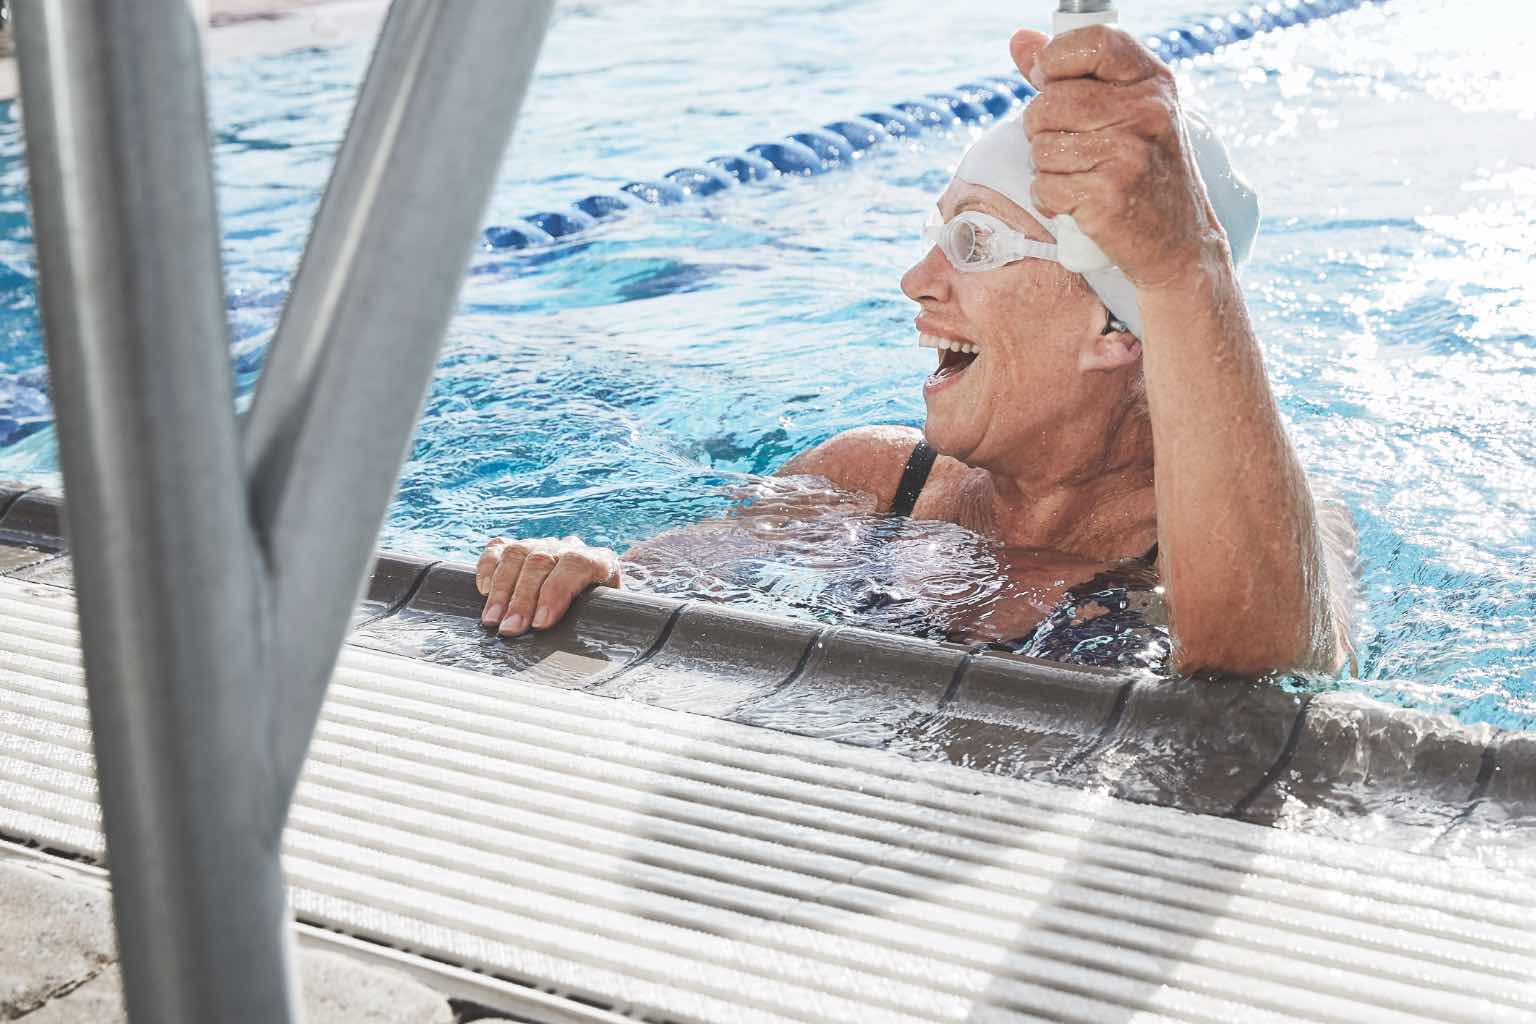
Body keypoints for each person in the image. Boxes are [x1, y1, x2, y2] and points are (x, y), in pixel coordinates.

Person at [474, 26, 1357, 676]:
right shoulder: (865, 480)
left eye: (975, 245)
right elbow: (648, 580)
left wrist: (1182, 273)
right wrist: (578, 568)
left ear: (1116, 330)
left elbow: (1268, 662)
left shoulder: (1256, 534)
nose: (916, 280)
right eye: (937, 236)